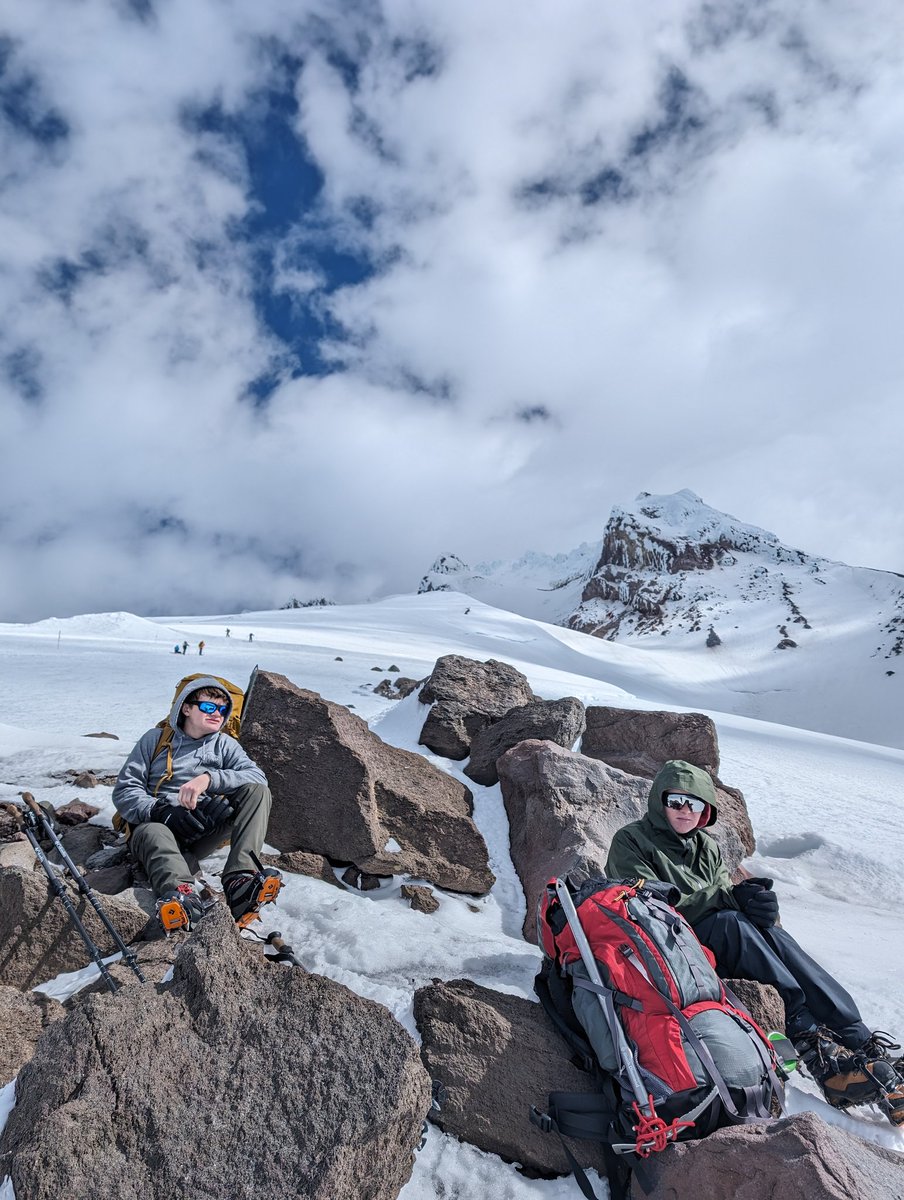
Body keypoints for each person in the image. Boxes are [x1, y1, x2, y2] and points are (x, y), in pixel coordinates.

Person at [605, 759, 904, 1125]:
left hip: (716, 938)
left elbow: (721, 894)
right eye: (675, 801)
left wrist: (755, 906)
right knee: (731, 922)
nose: (685, 811)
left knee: (772, 933)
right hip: (666, 944)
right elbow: (646, 904)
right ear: (658, 802)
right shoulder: (631, 841)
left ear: (706, 811)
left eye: (694, 803)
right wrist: (728, 900)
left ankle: (862, 1045)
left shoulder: (705, 847)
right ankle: (815, 1051)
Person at [112, 678, 281, 932]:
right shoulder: (155, 740)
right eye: (209, 708)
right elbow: (125, 790)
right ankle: (182, 895)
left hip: (202, 831)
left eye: (223, 710)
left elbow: (258, 778)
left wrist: (209, 779)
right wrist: (161, 811)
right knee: (152, 831)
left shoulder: (224, 744)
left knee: (256, 792)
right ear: (186, 708)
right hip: (157, 829)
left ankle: (239, 881)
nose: (217, 715)